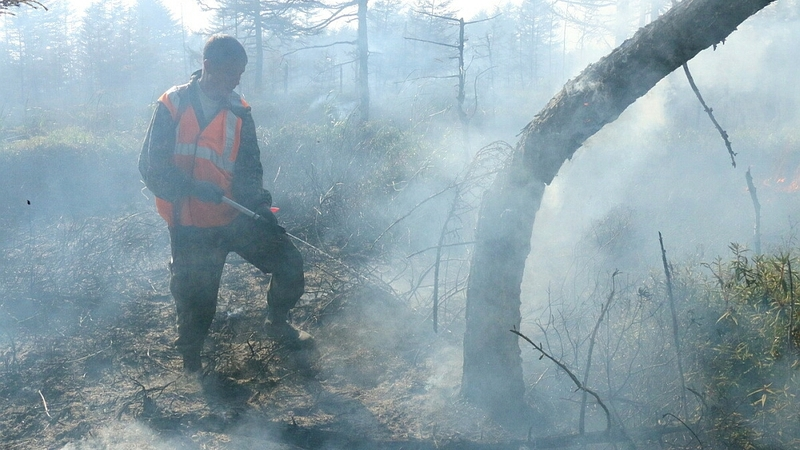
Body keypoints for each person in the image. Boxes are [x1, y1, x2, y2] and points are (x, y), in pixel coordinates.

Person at [139, 35, 310, 374]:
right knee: (196, 301)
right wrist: (191, 188)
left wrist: (260, 206)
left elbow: (250, 168)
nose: (236, 81)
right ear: (208, 66)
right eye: (231, 73)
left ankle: (276, 323)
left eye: (240, 74)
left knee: (290, 264)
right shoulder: (172, 104)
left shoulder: (239, 110)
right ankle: (192, 363)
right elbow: (151, 167)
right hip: (190, 225)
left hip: (235, 217)